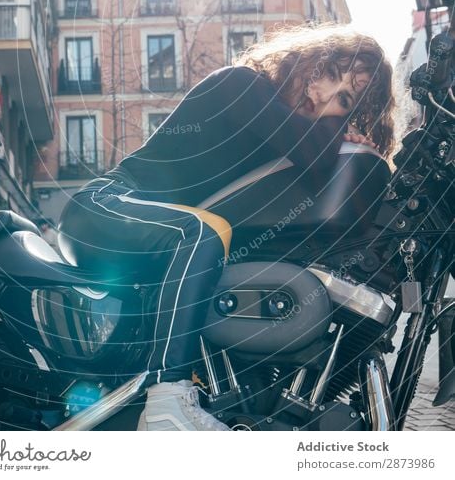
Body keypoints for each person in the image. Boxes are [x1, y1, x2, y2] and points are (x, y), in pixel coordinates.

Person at [59, 24, 394, 431]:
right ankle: (167, 402)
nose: (324, 94)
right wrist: (340, 125)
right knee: (201, 232)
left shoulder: (278, 137)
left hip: (159, 239)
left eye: (345, 98)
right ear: (310, 58)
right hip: (105, 206)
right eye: (330, 71)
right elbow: (315, 155)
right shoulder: (240, 84)